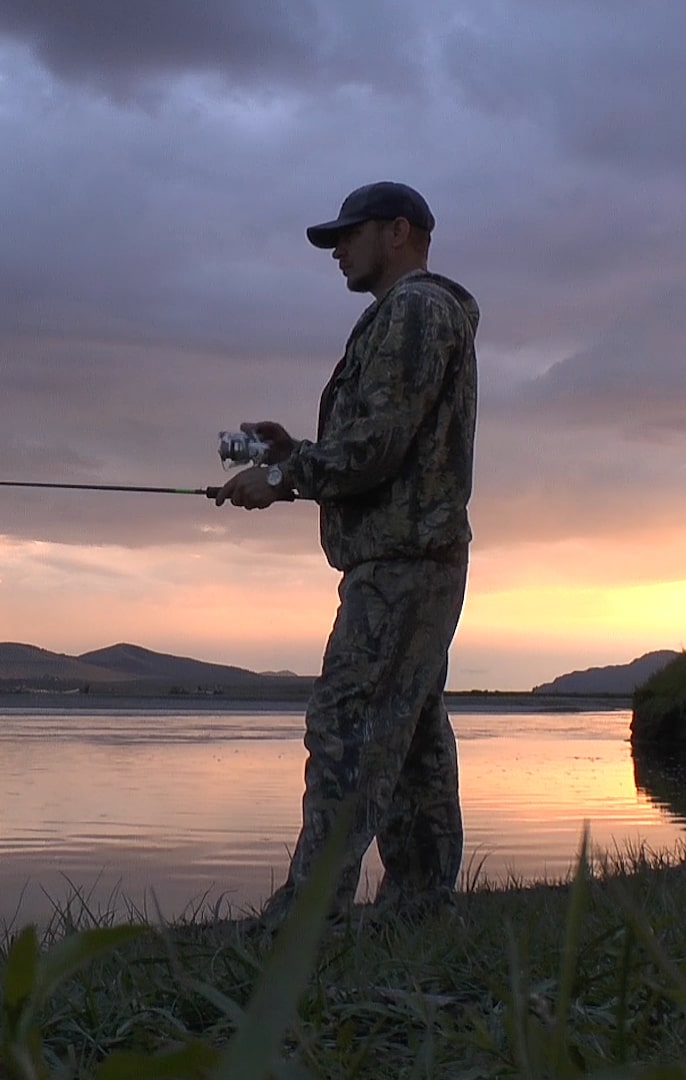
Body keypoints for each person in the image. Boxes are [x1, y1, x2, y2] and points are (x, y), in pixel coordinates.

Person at [211, 180, 480, 929]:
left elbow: (380, 445)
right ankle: (422, 912)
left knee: (349, 728)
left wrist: (284, 478)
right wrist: (297, 450)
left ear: (398, 232)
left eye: (348, 236)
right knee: (413, 741)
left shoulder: (416, 311)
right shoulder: (410, 316)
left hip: (402, 563)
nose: (337, 252)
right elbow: (387, 438)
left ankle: (307, 922)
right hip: (412, 558)